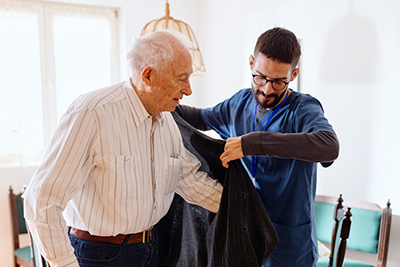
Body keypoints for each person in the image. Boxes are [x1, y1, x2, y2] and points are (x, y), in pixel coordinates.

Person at [23, 30, 223, 267]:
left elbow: (188, 180)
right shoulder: (92, 113)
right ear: (147, 76)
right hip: (98, 255)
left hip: (150, 248)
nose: (188, 89)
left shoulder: (167, 120)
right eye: (181, 78)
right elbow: (42, 201)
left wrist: (246, 208)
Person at [175, 27, 340, 267]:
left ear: (293, 75)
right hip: (244, 238)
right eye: (260, 77)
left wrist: (252, 143)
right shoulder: (239, 103)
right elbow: (200, 117)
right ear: (251, 63)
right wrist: (159, 100)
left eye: (278, 81)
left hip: (289, 248)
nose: (267, 89)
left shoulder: (303, 109)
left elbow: (329, 146)